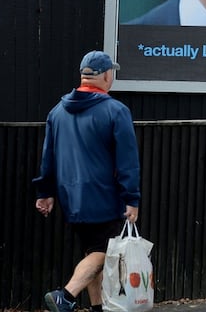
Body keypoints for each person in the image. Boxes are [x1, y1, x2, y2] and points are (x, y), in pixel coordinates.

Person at [33, 51, 142, 312]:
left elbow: (48, 157)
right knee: (104, 252)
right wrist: (132, 198)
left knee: (92, 252)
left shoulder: (57, 112)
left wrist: (45, 193)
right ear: (106, 75)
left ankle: (97, 309)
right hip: (104, 196)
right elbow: (127, 161)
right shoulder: (116, 111)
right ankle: (66, 296)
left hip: (71, 198)